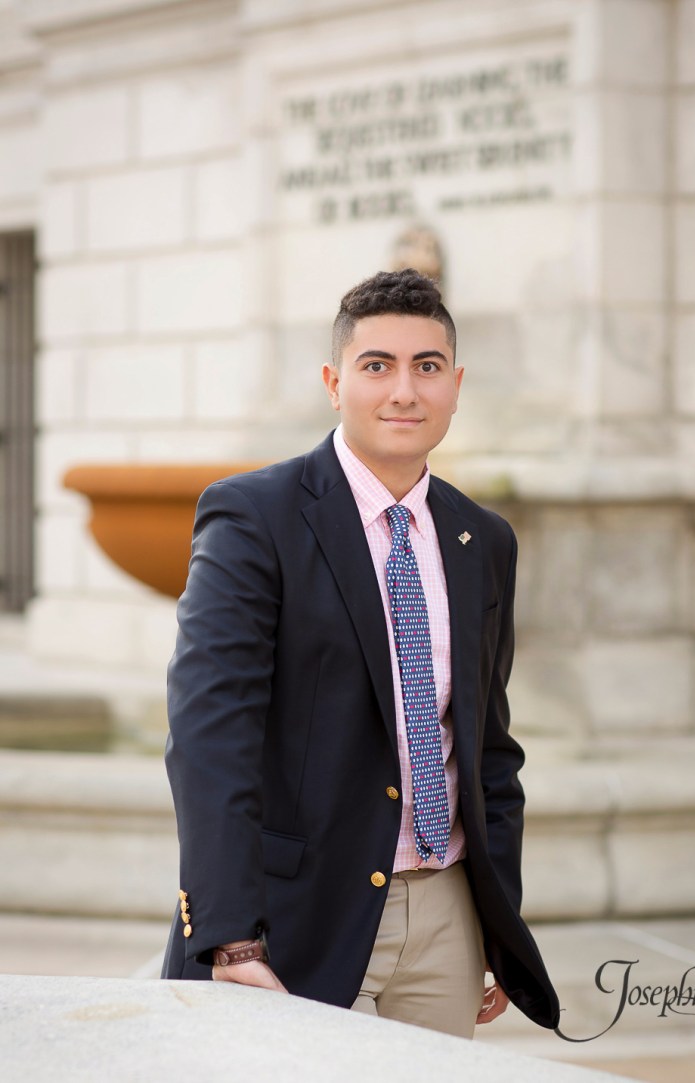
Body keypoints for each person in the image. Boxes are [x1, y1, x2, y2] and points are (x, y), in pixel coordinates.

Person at [161, 268, 560, 1039]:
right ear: (334, 381)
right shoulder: (254, 517)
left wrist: (496, 922)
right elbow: (211, 738)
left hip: (447, 913)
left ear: (455, 384)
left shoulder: (484, 539)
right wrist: (229, 932)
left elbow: (489, 750)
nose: (404, 390)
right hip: (296, 913)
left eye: (427, 366)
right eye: (377, 365)